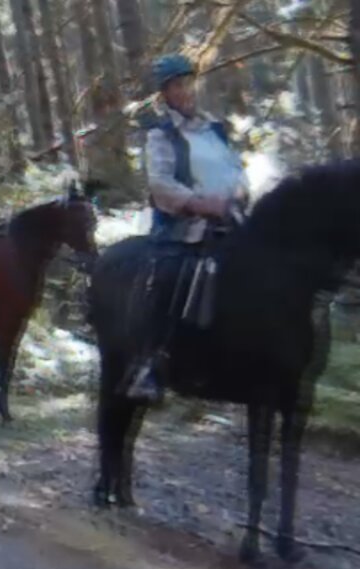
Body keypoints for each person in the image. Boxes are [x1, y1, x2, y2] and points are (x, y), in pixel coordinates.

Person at [125, 53, 250, 402]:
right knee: (169, 274)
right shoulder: (161, 136)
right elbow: (161, 184)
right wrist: (201, 203)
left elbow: (236, 170)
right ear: (165, 94)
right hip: (184, 226)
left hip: (230, 220)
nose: (186, 91)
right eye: (177, 86)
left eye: (188, 83)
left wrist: (239, 194)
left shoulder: (215, 130)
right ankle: (150, 362)